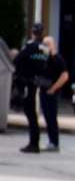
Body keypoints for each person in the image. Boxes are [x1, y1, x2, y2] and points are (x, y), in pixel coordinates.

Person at [13, 22, 49, 153]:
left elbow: (17, 61)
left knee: (31, 114)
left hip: (28, 83)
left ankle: (34, 144)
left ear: (33, 33)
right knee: (33, 114)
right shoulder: (45, 48)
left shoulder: (28, 47)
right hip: (39, 83)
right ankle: (34, 142)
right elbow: (46, 64)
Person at [38, 36, 69, 153]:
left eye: (48, 44)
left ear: (53, 45)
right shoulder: (44, 58)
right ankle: (51, 140)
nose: (46, 46)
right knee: (47, 117)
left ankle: (54, 142)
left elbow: (65, 76)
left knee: (51, 117)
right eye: (44, 44)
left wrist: (53, 88)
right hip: (43, 90)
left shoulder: (58, 59)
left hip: (51, 92)